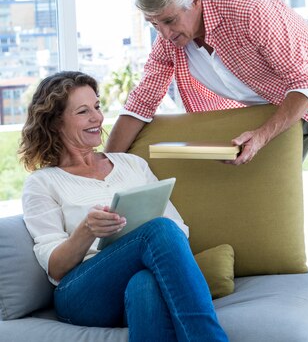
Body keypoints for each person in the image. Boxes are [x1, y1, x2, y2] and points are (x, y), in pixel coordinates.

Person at [106, 0, 308, 342]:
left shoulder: (250, 10)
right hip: (280, 104)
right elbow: (140, 103)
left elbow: (305, 84)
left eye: (168, 21)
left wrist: (263, 136)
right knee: (253, 208)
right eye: (154, 25)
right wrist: (104, 165)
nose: (163, 34)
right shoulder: (171, 41)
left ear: (194, 0)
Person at [19, 70, 229, 342]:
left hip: (137, 277)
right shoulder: (43, 183)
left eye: (97, 107)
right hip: (82, 293)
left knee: (145, 283)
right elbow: (56, 269)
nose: (97, 118)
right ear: (55, 122)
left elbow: (178, 230)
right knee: (156, 231)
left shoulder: (132, 165)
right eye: (83, 112)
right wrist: (87, 230)